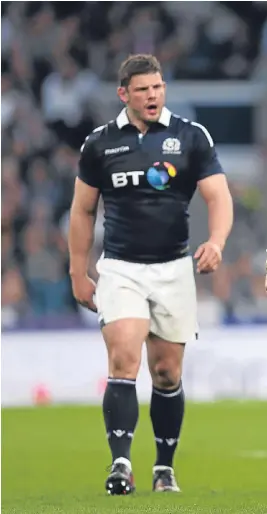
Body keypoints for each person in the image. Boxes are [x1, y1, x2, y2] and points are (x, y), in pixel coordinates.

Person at [68, 54, 233, 495]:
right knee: (124, 358)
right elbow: (83, 210)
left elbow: (219, 197)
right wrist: (77, 271)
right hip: (120, 267)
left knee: (166, 372)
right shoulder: (100, 144)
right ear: (124, 94)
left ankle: (164, 468)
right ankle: (121, 464)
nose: (152, 96)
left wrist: (215, 242)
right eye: (142, 90)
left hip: (174, 267)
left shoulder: (190, 136)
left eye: (157, 87)